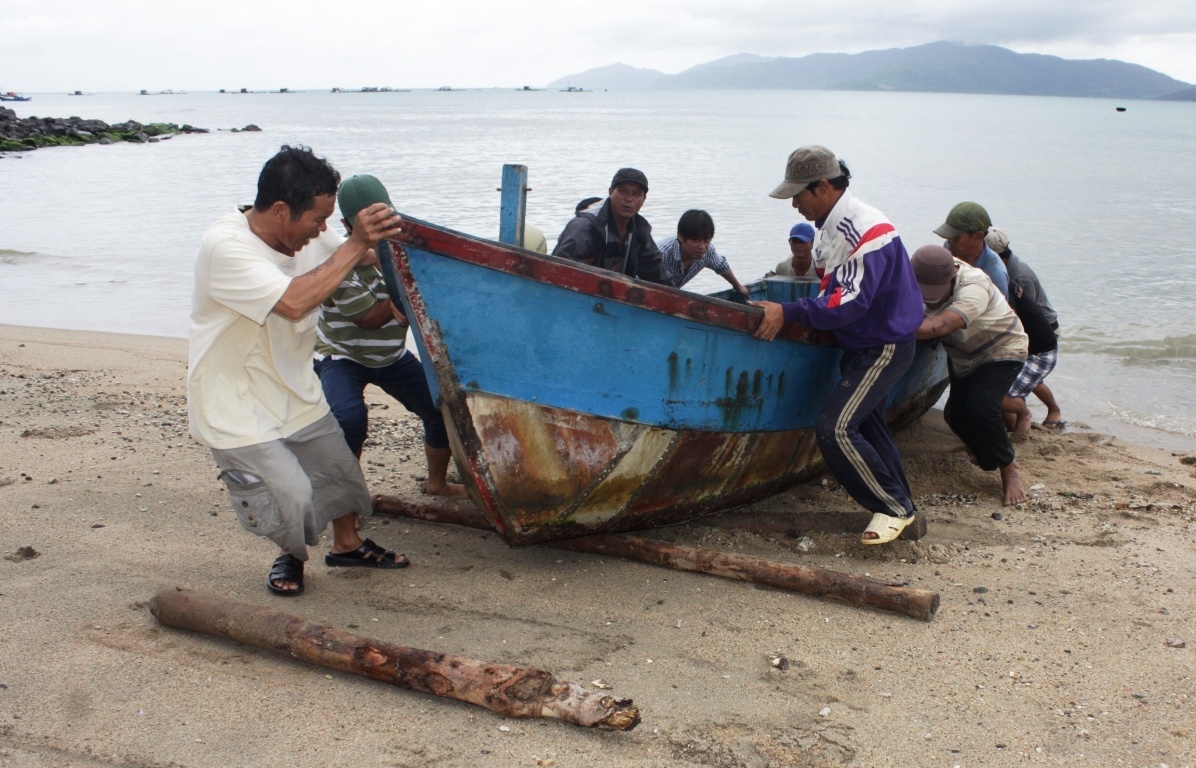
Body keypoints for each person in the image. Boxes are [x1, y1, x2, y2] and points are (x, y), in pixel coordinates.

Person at [188, 145, 409, 598]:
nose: (324, 229)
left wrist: (395, 243)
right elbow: (293, 302)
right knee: (290, 498)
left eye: (331, 219)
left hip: (293, 390)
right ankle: (292, 553)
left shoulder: (306, 237)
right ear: (281, 210)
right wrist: (354, 243)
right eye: (317, 219)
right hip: (235, 404)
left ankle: (346, 545)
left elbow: (364, 257)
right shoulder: (226, 247)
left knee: (339, 476)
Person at [753, 145, 925, 545]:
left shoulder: (861, 228)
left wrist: (788, 312)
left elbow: (848, 303)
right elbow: (830, 282)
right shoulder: (831, 224)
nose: (794, 203)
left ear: (825, 186)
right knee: (871, 427)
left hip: (883, 344)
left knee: (837, 428)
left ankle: (893, 508)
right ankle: (907, 514)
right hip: (865, 341)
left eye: (799, 194)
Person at [314, 174, 466, 501]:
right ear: (347, 224)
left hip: (391, 356)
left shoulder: (401, 250)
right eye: (369, 221)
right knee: (349, 418)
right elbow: (367, 319)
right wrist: (400, 302)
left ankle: (437, 484)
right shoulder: (337, 265)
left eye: (385, 217)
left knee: (440, 407)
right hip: (343, 356)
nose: (380, 227)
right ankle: (349, 498)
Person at [911, 245, 1029, 506]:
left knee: (982, 408)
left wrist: (891, 327)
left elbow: (940, 325)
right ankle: (988, 459)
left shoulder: (973, 286)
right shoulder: (909, 276)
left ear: (952, 277)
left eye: (936, 293)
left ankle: (1010, 471)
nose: (931, 299)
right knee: (954, 416)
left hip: (1001, 346)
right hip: (964, 354)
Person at [986, 227, 1065, 431]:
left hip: (1042, 327)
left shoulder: (1019, 275)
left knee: (1028, 379)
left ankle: (1049, 411)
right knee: (1028, 378)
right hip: (1032, 329)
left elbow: (1025, 313)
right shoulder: (1004, 270)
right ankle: (1017, 421)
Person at [552, 168, 664, 283]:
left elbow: (656, 273)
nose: (629, 199)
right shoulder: (585, 226)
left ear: (644, 199)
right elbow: (558, 271)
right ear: (611, 192)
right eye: (623, 191)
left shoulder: (640, 230)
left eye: (636, 194)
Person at [656, 209, 750, 297]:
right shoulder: (660, 254)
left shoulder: (708, 252)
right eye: (696, 241)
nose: (702, 247)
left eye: (706, 240)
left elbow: (721, 266)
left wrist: (738, 286)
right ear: (680, 237)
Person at [933, 202, 1009, 299]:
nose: (950, 241)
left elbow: (999, 313)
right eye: (949, 236)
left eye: (957, 237)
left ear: (979, 236)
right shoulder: (949, 247)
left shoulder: (995, 274)